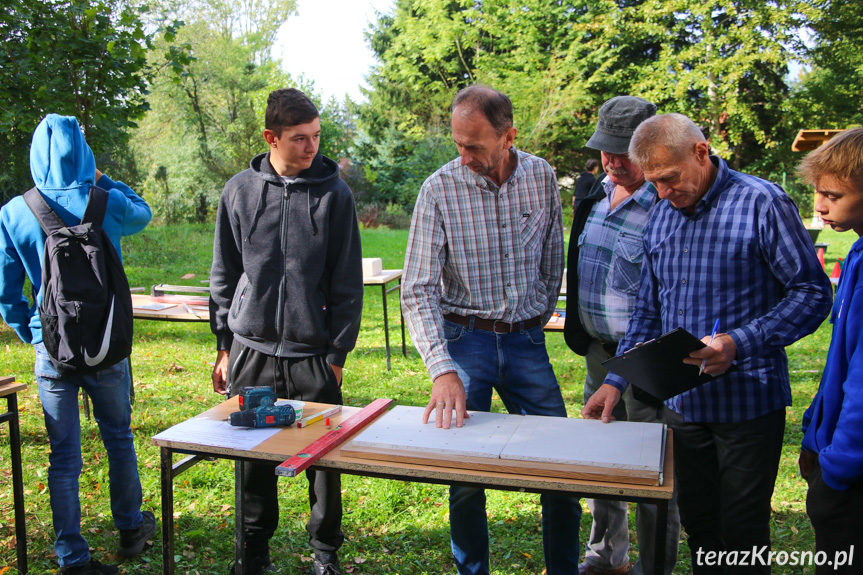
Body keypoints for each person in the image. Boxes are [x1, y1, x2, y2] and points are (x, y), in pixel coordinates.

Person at [583, 113, 833, 574]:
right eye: (653, 183)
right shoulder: (662, 212)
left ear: (701, 152)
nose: (661, 193)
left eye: (670, 179)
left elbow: (813, 293)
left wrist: (740, 342)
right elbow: (647, 312)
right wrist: (615, 381)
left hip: (747, 404)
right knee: (700, 528)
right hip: (683, 406)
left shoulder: (761, 202)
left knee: (742, 535)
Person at [401, 84, 581, 575]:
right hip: (465, 343)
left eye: (474, 146)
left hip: (527, 343)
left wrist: (532, 320)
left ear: (508, 137)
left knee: (560, 469)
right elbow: (416, 288)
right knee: (465, 477)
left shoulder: (542, 177)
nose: (464, 157)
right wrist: (442, 369)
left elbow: (551, 261)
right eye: (458, 144)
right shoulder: (438, 189)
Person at [209, 88, 363, 575]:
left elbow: (347, 282)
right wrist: (223, 347)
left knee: (323, 465)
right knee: (253, 461)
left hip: (314, 354)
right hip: (250, 349)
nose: (311, 147)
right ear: (271, 138)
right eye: (300, 139)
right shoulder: (238, 191)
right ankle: (253, 554)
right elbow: (223, 271)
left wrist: (336, 356)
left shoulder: (335, 195)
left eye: (316, 136)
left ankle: (325, 556)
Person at [0, 114, 156, 575]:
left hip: (53, 348)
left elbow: (7, 292)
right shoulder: (106, 201)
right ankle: (130, 528)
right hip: (108, 343)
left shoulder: (14, 212)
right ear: (84, 153)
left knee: (63, 454)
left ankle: (73, 556)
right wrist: (107, 178)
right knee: (118, 437)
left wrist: (31, 332)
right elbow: (143, 212)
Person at [564, 96, 679, 575]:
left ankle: (655, 567)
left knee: (652, 471)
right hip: (598, 355)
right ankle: (605, 558)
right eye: (604, 151)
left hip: (651, 360)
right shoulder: (593, 193)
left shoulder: (668, 202)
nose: (611, 163)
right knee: (601, 458)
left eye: (623, 153)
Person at [797, 128, 863, 574]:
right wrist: (813, 431)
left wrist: (837, 469)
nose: (819, 206)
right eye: (818, 192)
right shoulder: (858, 250)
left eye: (833, 195)